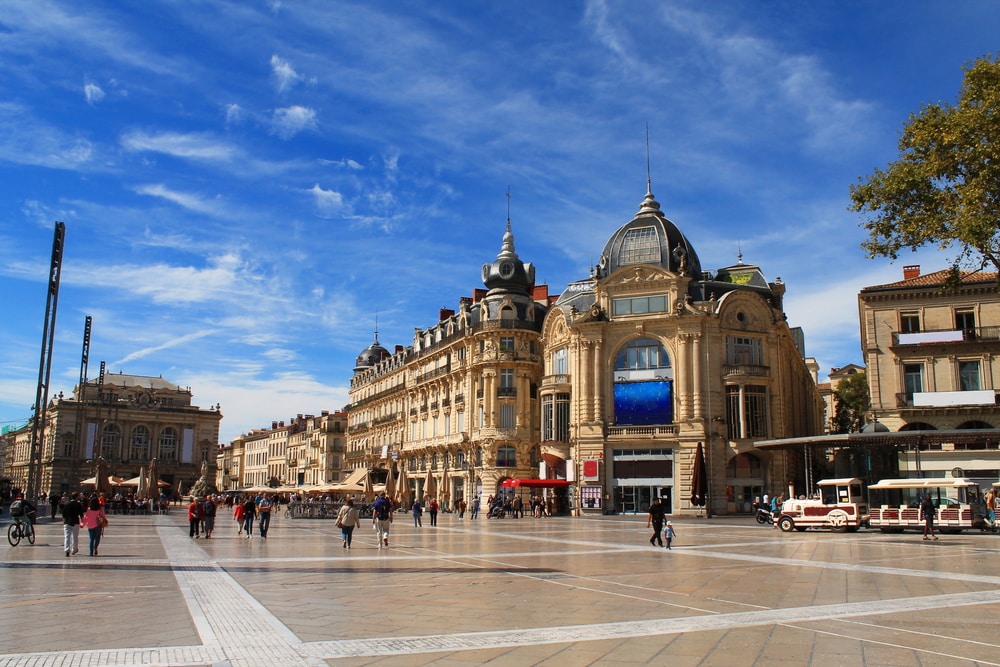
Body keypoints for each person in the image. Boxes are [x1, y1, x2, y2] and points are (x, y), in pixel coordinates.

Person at [61, 492, 86, 557]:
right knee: (75, 537)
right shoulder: (78, 504)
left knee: (67, 537)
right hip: (75, 522)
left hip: (67, 522)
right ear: (77, 497)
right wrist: (82, 522)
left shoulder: (67, 504)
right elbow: (81, 515)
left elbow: (63, 514)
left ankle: (67, 550)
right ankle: (74, 550)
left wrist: (64, 522)